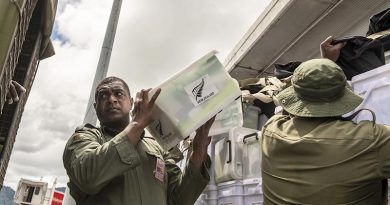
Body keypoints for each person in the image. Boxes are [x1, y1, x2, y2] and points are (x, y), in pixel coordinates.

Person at [63, 76, 215, 205]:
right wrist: (137, 124)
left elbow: (179, 200)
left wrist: (198, 151)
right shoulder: (84, 137)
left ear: (130, 103)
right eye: (103, 96)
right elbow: (88, 177)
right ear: (95, 108)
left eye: (118, 94)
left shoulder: (157, 145)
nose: (111, 99)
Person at [261, 55, 390, 204]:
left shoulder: (270, 130)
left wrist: (320, 73)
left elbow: (283, 111)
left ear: (295, 98)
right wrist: (329, 74)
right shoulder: (373, 140)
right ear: (343, 97)